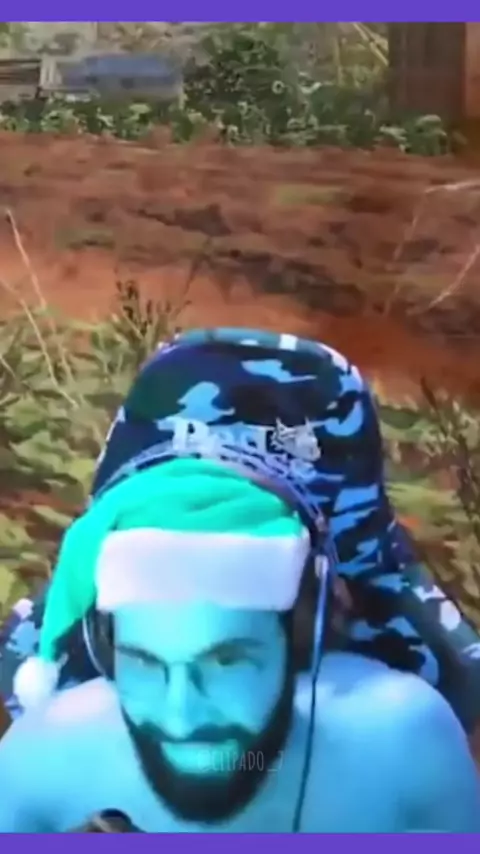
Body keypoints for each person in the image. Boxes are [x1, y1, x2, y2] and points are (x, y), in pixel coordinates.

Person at [0, 327, 479, 833]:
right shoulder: (39, 766)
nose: (180, 720)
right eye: (142, 662)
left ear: (306, 633)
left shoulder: (407, 748)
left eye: (227, 660)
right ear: (103, 644)